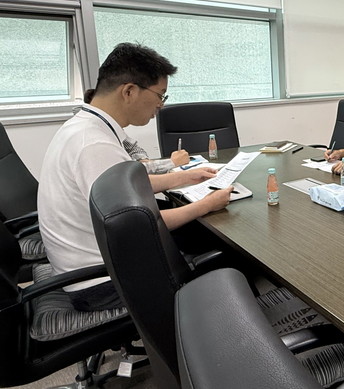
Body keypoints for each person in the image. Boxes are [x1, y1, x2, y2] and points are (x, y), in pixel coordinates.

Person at [38, 43, 232, 311]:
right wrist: (206, 204)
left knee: (196, 235)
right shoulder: (94, 144)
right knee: (226, 256)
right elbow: (142, 224)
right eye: (160, 95)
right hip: (102, 282)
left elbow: (127, 187)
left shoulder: (86, 127)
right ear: (129, 91)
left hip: (91, 261)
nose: (161, 105)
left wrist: (185, 178)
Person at [84, 88, 188, 173]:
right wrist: (172, 163)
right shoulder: (95, 139)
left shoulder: (110, 126)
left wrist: (143, 161)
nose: (160, 105)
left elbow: (133, 148)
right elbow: (129, 174)